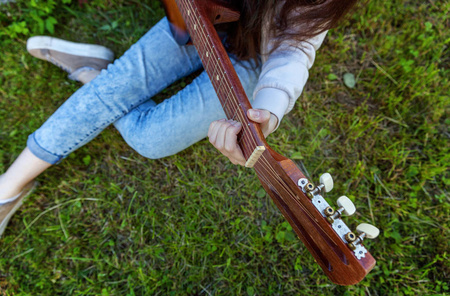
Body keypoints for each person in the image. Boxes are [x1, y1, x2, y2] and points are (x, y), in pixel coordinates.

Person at [0, 0, 357, 237]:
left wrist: (267, 112)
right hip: (196, 13)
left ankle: (92, 73)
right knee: (117, 91)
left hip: (256, 61)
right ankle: (9, 187)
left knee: (149, 140)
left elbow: (295, 51)